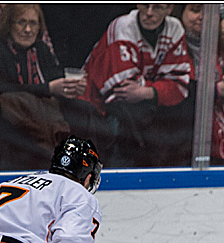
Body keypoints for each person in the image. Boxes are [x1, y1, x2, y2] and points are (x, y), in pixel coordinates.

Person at [0, 4, 92, 168]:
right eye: (21, 22)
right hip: (11, 119)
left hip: (44, 112)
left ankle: (86, 166)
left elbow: (56, 79)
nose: (27, 30)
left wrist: (71, 87)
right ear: (9, 24)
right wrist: (48, 89)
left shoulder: (41, 49)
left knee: (86, 111)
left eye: (33, 23)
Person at [81, 3, 194, 167]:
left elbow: (180, 87)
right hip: (97, 110)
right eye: (144, 5)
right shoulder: (123, 26)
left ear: (169, 9)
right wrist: (158, 87)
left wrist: (146, 92)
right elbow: (122, 90)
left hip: (140, 117)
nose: (149, 13)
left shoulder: (174, 28)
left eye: (157, 7)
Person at [172, 4, 224, 164]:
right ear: (181, 12)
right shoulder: (171, 45)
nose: (202, 17)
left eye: (208, 12)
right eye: (195, 10)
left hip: (221, 139)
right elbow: (174, 90)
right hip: (180, 141)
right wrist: (216, 90)